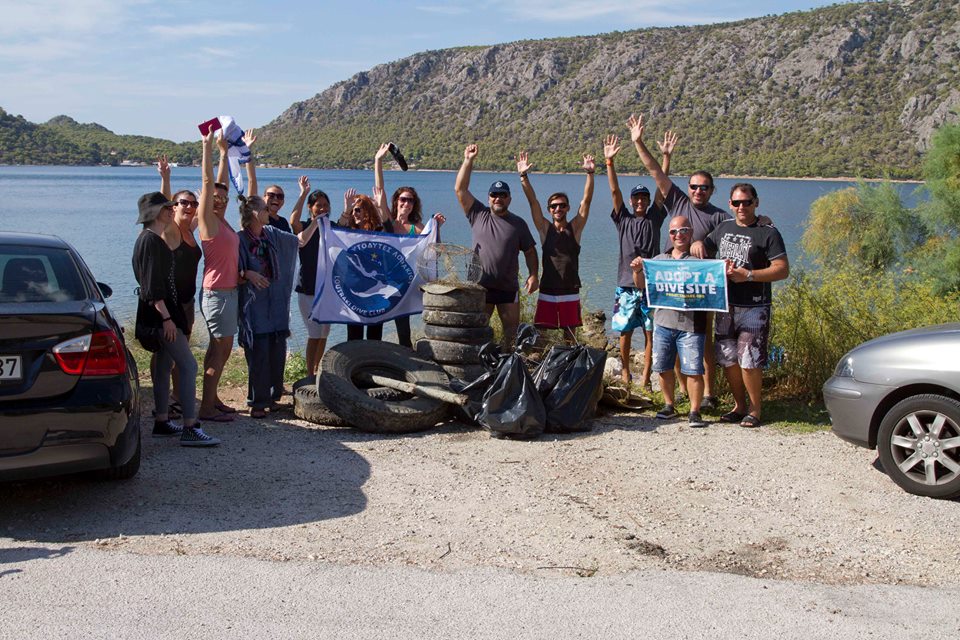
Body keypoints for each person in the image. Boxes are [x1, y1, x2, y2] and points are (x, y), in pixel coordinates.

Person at [626, 113, 739, 409]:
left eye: (704, 187)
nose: (698, 191)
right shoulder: (678, 201)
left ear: (712, 190)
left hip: (701, 290)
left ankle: (708, 395)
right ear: (687, 188)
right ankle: (681, 393)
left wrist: (762, 220)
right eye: (694, 186)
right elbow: (654, 171)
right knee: (671, 340)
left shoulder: (720, 216)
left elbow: (738, 229)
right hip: (669, 284)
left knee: (702, 342)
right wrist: (638, 142)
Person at [132, 137, 219, 447]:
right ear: (161, 212)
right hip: (163, 312)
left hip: (174, 307)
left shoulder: (165, 235)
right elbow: (153, 285)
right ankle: (189, 425)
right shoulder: (158, 238)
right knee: (188, 364)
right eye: (173, 205)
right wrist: (168, 318)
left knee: (163, 363)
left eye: (187, 204)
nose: (180, 209)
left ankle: (161, 420)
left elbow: (208, 191)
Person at [692, 183, 789, 428]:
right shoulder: (723, 228)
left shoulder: (768, 232)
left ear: (756, 202)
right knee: (728, 360)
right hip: (725, 306)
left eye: (746, 202)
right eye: (736, 203)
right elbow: (706, 248)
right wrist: (698, 244)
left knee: (750, 360)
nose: (741, 207)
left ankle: (756, 409)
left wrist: (749, 275)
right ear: (730, 205)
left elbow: (782, 270)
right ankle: (740, 406)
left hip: (755, 307)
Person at [236, 194, 319, 417]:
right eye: (264, 208)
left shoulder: (272, 233)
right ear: (254, 213)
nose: (268, 211)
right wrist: (248, 273)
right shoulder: (240, 240)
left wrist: (317, 222)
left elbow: (299, 241)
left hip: (277, 305)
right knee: (258, 353)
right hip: (255, 307)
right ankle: (257, 401)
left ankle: (273, 397)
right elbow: (234, 272)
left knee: (276, 352)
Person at [603, 132, 672, 387]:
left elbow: (661, 188)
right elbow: (614, 190)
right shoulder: (624, 220)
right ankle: (624, 372)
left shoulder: (654, 217)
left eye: (643, 197)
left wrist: (665, 157)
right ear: (631, 201)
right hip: (625, 284)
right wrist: (609, 163)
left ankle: (645, 376)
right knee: (624, 331)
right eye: (637, 198)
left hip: (651, 286)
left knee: (650, 331)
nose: (641, 201)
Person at [455, 143, 539, 349]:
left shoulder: (518, 223)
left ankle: (506, 368)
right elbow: (460, 189)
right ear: (488, 198)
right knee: (477, 333)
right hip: (479, 286)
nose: (498, 198)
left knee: (511, 335)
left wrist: (534, 274)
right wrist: (468, 160)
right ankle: (479, 369)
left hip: (507, 288)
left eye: (502, 195)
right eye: (494, 195)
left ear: (509, 198)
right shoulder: (478, 214)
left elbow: (530, 251)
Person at [195, 130, 254, 423]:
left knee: (216, 351)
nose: (219, 200)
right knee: (220, 352)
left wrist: (223, 154)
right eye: (213, 199)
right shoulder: (207, 222)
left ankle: (212, 399)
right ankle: (205, 408)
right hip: (217, 295)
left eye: (222, 198)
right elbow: (209, 183)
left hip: (227, 291)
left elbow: (219, 184)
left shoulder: (221, 220)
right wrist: (207, 147)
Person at [630, 216, 709, 428]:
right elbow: (641, 286)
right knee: (663, 367)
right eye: (674, 231)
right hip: (663, 323)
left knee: (693, 370)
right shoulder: (658, 260)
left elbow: (713, 287)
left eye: (683, 230)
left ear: (690, 233)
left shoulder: (700, 264)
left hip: (691, 326)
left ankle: (695, 411)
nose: (679, 235)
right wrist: (637, 269)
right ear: (669, 235)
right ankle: (669, 405)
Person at [515, 150, 594, 343]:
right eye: (553, 206)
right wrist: (523, 176)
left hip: (569, 288)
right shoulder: (544, 229)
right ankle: (544, 368)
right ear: (549, 210)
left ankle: (568, 369)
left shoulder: (575, 228)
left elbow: (586, 201)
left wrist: (590, 174)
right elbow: (533, 202)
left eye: (562, 205)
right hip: (548, 288)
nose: (558, 209)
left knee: (569, 335)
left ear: (567, 208)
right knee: (542, 334)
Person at [157, 156, 203, 415]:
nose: (189, 207)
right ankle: (168, 406)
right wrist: (165, 179)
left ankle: (174, 398)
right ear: (173, 207)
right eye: (183, 203)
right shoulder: (171, 231)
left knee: (175, 355)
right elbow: (163, 207)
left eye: (192, 203)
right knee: (171, 357)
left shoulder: (190, 230)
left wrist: (206, 193)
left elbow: (205, 203)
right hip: (169, 305)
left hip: (186, 303)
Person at [289, 176, 332, 375]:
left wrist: (349, 208)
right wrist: (303, 193)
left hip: (326, 290)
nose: (322, 209)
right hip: (307, 288)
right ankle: (309, 374)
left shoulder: (331, 229)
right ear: (310, 208)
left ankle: (317, 369)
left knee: (324, 333)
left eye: (325, 206)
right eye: (318, 206)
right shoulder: (305, 226)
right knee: (314, 333)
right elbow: (293, 221)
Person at [338, 188, 386, 341]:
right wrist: (347, 208)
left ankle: (373, 364)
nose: (354, 214)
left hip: (376, 291)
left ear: (367, 211)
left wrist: (380, 207)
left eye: (358, 210)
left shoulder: (379, 231)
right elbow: (336, 229)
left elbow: (392, 232)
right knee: (354, 336)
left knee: (374, 336)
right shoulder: (347, 232)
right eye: (353, 211)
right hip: (353, 292)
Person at [245, 138, 292, 233]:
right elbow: (252, 181)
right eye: (271, 195)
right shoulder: (259, 218)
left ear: (283, 202)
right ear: (264, 198)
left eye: (280, 196)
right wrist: (247, 151)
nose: (275, 199)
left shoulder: (283, 222)